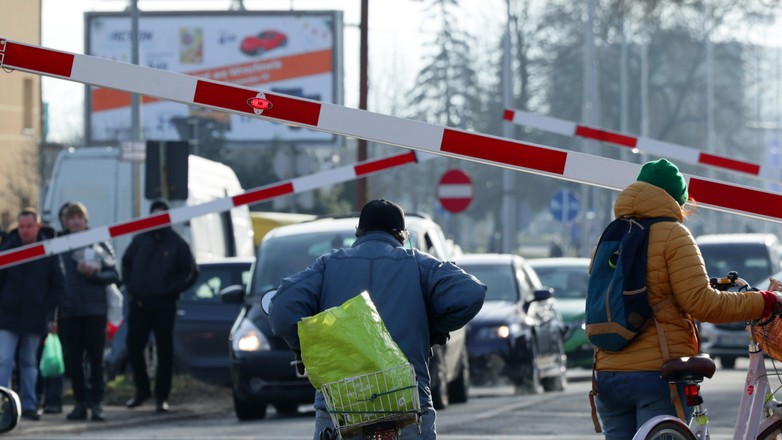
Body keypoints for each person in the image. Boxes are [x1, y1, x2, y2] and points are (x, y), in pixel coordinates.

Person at [591, 158, 782, 440]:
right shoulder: (673, 234)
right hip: (655, 373)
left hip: (606, 372)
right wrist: (763, 301)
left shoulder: (610, 235)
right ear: (674, 198)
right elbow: (703, 303)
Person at [268, 199, 486, 439]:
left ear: (359, 232)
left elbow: (281, 311)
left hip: (343, 404)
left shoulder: (328, 266)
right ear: (402, 235)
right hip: (405, 399)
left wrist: (306, 347)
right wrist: (433, 327)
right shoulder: (418, 264)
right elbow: (471, 292)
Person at [122, 200, 198, 413]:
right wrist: (130, 285)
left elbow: (191, 270)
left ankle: (161, 396)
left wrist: (172, 288)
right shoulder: (139, 240)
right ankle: (142, 390)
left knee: (165, 350)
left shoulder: (177, 243)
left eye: (161, 216)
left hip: (164, 305)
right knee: (134, 346)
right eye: (153, 216)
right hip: (139, 303)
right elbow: (126, 263)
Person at [0, 208, 65, 421]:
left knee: (29, 363)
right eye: (21, 227)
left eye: (29, 226)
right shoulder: (8, 248)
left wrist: (51, 316)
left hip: (35, 317)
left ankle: (28, 404)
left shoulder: (49, 251)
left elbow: (58, 286)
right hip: (7, 317)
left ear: (37, 226)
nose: (25, 231)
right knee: (3, 359)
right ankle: (3, 405)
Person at [58, 202, 119, 422]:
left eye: (79, 217)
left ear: (85, 220)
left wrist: (93, 276)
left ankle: (97, 403)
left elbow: (114, 274)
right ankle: (80, 403)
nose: (75, 221)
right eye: (71, 217)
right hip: (69, 311)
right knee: (74, 361)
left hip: (95, 310)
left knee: (96, 360)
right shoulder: (58, 245)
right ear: (64, 221)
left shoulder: (99, 241)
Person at [36, 201, 72, 415]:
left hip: (65, 313)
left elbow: (57, 287)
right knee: (42, 359)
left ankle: (54, 400)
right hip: (43, 314)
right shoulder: (50, 244)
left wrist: (54, 317)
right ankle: (40, 399)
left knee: (56, 359)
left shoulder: (78, 242)